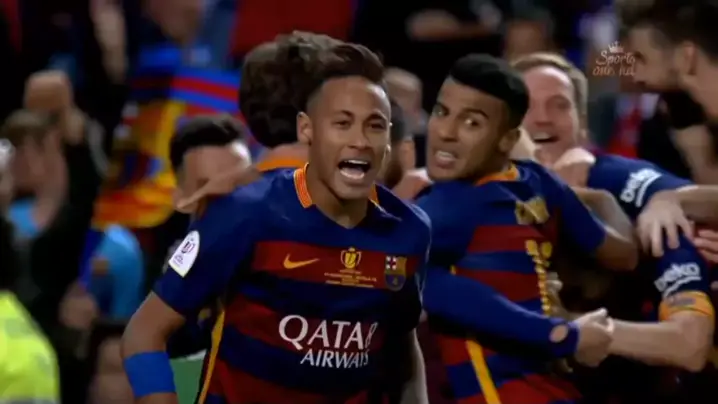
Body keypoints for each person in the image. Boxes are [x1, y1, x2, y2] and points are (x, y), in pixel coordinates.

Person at [122, 42, 430, 403]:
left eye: (374, 126)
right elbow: (144, 332)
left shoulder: (409, 230)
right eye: (342, 124)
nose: (359, 141)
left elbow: (401, 352)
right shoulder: (244, 214)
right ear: (307, 130)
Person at [417, 54, 637, 403]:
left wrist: (599, 197)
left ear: (508, 139)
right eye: (441, 112)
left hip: (556, 388)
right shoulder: (444, 206)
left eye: (471, 122)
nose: (445, 132)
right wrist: (561, 335)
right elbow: (420, 280)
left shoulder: (539, 183)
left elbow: (623, 256)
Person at [515, 51, 715, 402]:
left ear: (582, 123)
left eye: (559, 105)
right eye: (527, 107)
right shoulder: (464, 199)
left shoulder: (624, 185)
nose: (543, 118)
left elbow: (690, 344)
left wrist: (566, 327)